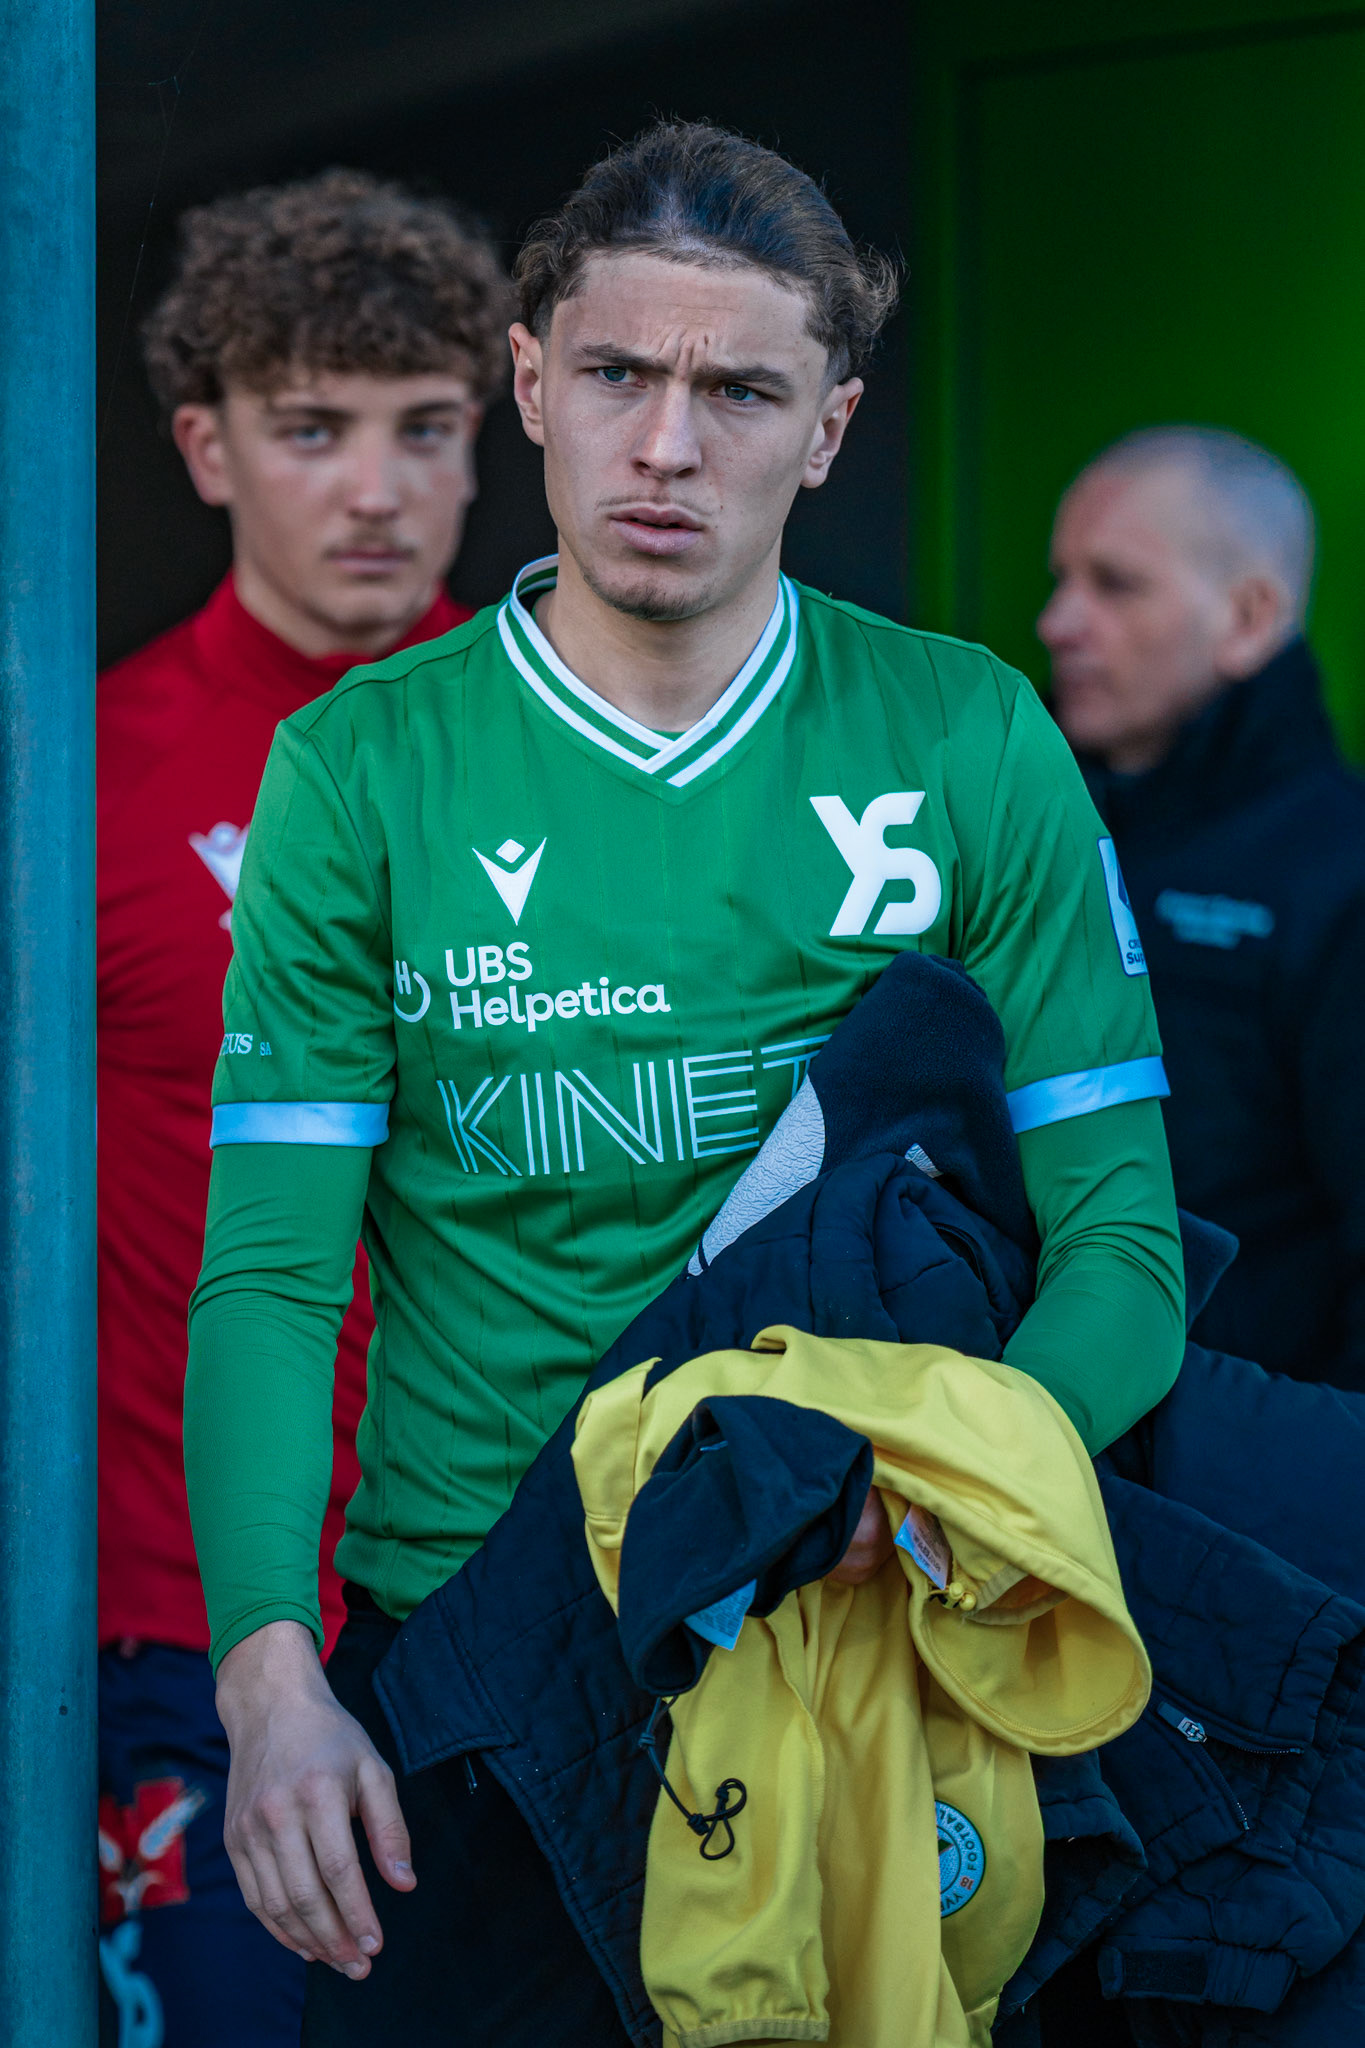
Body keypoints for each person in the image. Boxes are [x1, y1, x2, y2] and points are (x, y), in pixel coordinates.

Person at [183, 122, 1186, 2046]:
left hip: (864, 1648)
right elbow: (276, 1281)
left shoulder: (965, 731)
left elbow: (1124, 1244)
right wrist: (270, 1677)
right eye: (623, 376)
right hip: (468, 1673)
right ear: (533, 381)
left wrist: (935, 1493)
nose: (668, 444)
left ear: (828, 430)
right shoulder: (361, 767)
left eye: (740, 390)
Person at [97, 168, 509, 2047]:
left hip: (510, 1584)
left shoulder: (571, 740)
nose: (377, 489)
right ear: (207, 444)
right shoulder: (83, 773)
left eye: (426, 429)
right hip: (184, 1617)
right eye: (312, 429)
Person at [1039, 426, 1365, 1388]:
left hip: (1250, 1484)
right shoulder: (1042, 830)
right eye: (1060, 579)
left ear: (1250, 617)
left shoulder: (1337, 875)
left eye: (1114, 584)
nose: (1058, 621)